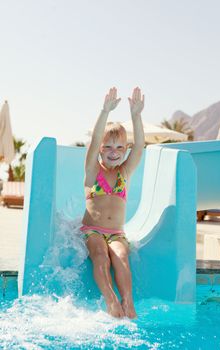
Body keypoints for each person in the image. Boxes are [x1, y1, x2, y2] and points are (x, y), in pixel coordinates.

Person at [80, 87, 145, 318]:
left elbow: (140, 146)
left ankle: (128, 302)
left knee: (121, 256)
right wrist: (105, 111)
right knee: (100, 255)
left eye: (119, 147)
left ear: (125, 150)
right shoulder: (92, 170)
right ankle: (111, 300)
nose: (113, 152)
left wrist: (136, 116)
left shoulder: (124, 173)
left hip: (116, 232)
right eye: (107, 146)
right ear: (99, 149)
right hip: (93, 230)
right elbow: (96, 137)